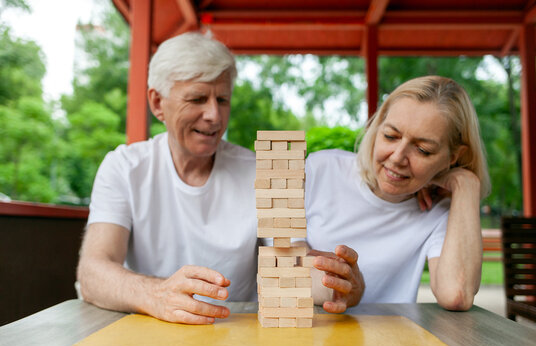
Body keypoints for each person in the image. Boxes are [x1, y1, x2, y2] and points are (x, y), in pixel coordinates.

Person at [77, 31, 361, 325]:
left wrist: (336, 282)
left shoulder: (266, 171)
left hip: (236, 339)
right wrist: (157, 295)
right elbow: (93, 271)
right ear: (157, 103)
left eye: (222, 99)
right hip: (150, 335)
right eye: (198, 98)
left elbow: (291, 264)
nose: (214, 115)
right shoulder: (123, 167)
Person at [305, 75, 490, 310]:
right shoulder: (320, 170)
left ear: (453, 157)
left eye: (423, 150)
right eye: (390, 136)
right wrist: (351, 289)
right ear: (377, 126)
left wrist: (466, 184)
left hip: (390, 342)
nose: (397, 157)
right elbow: (284, 267)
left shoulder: (441, 212)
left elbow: (456, 294)